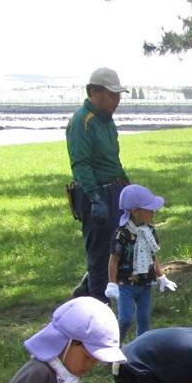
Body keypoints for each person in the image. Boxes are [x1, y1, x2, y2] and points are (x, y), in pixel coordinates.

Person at [68, 67, 131, 300]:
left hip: (114, 191)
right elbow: (81, 164)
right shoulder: (82, 121)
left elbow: (112, 160)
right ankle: (97, 305)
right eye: (112, 94)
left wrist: (126, 186)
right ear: (94, 92)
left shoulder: (107, 121)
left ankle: (86, 293)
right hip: (95, 194)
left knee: (116, 249)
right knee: (99, 255)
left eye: (118, 95)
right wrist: (95, 198)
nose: (117, 100)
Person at [106, 184, 176, 341]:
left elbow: (153, 255)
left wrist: (161, 277)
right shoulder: (121, 234)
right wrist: (112, 283)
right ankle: (113, 346)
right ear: (134, 211)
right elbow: (114, 260)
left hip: (145, 283)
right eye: (149, 209)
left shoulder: (149, 231)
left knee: (144, 319)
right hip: (126, 285)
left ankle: (141, 348)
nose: (153, 212)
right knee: (125, 319)